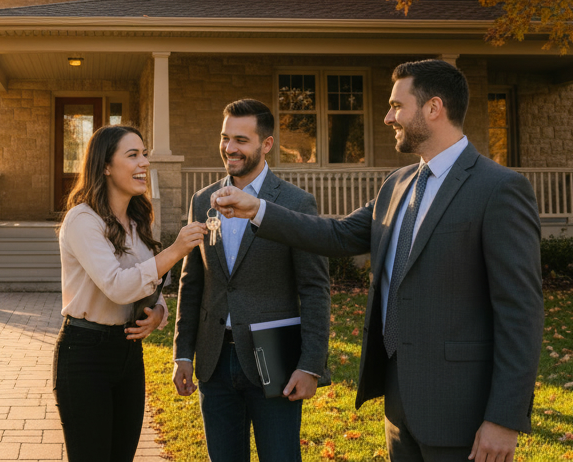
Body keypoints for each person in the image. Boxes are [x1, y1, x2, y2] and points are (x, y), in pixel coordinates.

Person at [214, 60, 543, 462]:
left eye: (396, 106)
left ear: (433, 108)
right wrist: (258, 209)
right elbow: (335, 234)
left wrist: (504, 419)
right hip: (399, 405)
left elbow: (520, 312)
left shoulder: (499, 189)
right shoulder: (398, 184)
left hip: (463, 412)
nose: (388, 117)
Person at [173, 99, 331, 461]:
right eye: (225, 138)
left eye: (241, 140)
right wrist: (183, 353)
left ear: (267, 144)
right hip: (213, 360)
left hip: (274, 357)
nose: (230, 148)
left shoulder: (296, 204)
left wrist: (310, 365)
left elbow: (315, 288)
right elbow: (192, 282)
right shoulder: (202, 201)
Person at [55, 124, 209, 462]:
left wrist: (158, 315)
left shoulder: (137, 221)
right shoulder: (83, 220)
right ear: (106, 165)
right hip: (85, 356)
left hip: (128, 355)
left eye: (145, 155)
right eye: (133, 155)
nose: (144, 163)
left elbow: (147, 286)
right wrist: (175, 250)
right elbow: (118, 285)